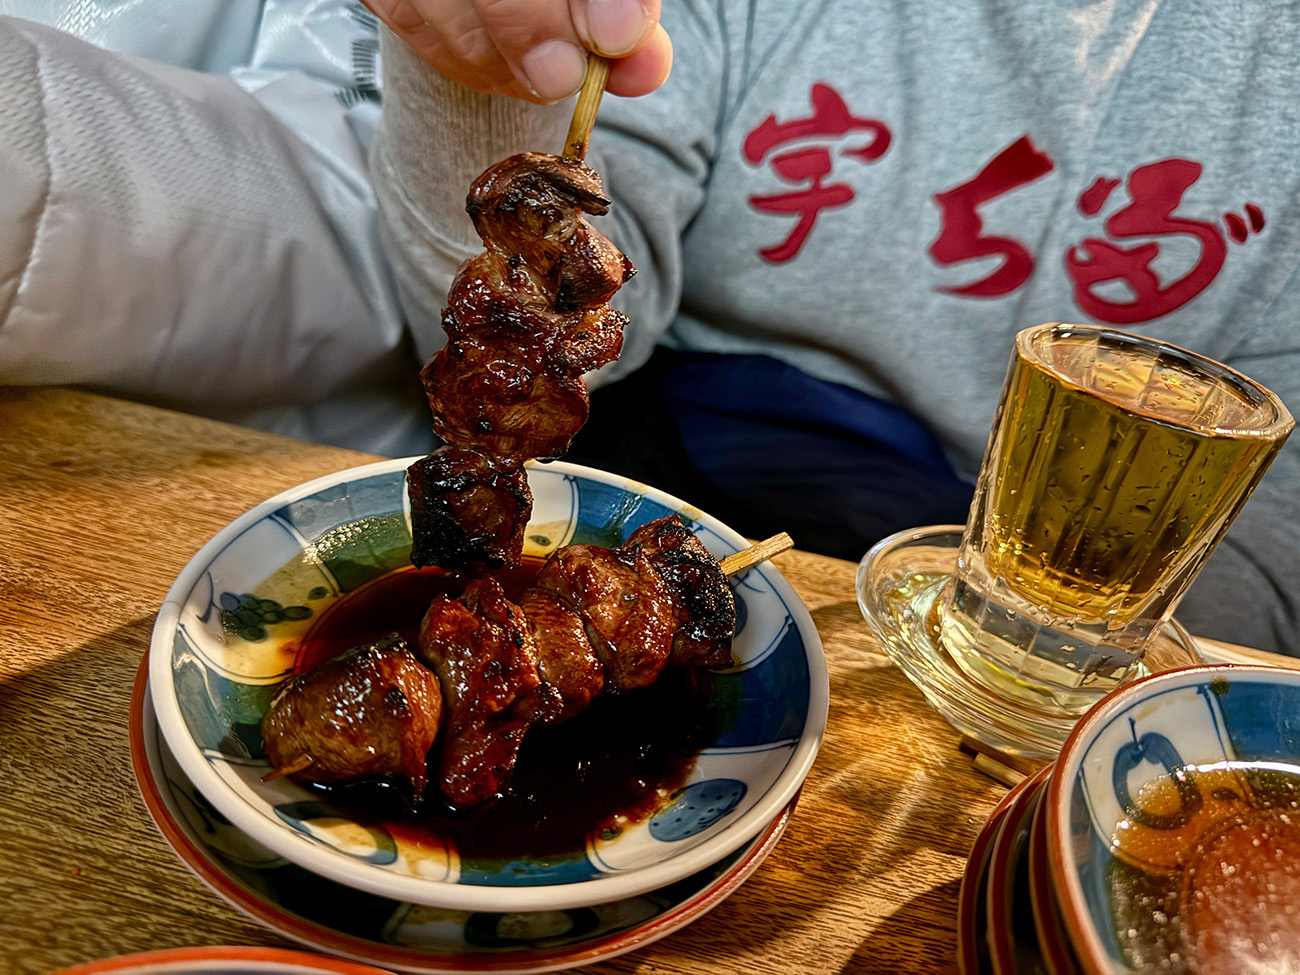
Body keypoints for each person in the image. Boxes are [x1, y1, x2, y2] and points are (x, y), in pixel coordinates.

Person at [1, 2, 1298, 659]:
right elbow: (548, 303)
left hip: (1015, 627)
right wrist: (479, 70)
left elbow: (1266, 560)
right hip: (634, 476)